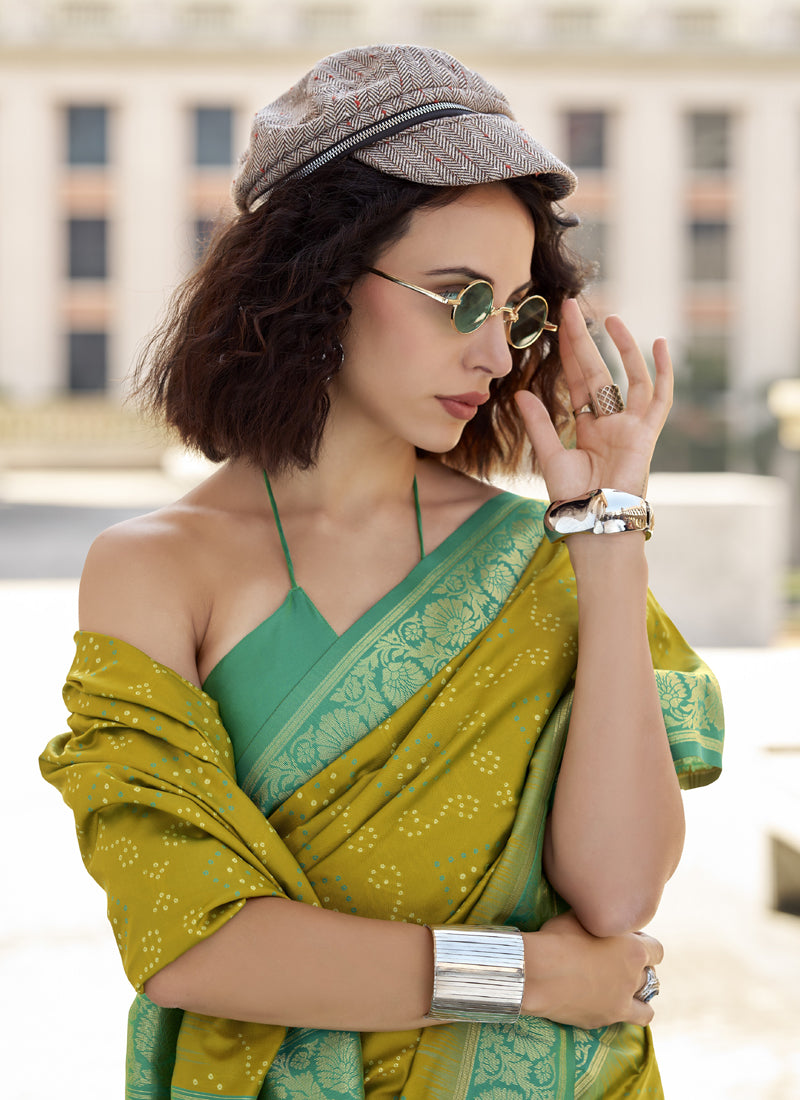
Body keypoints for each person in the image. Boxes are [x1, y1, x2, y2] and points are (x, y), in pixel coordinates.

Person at [40, 44, 724, 1099]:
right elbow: (191, 941)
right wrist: (534, 976)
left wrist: (604, 534)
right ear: (315, 279)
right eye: (458, 297)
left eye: (514, 309)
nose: (495, 355)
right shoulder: (159, 568)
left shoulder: (544, 554)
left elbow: (618, 893)